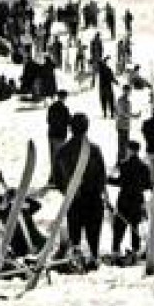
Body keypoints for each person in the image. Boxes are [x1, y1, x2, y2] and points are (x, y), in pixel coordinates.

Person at [51, 113, 109, 266]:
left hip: (73, 197)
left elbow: (56, 179)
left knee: (75, 229)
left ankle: (76, 256)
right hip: (93, 198)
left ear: (70, 128)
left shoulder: (62, 151)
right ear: (87, 128)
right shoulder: (94, 149)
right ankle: (94, 257)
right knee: (93, 230)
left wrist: (68, 191)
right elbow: (102, 176)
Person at [110, 141, 152, 262]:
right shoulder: (144, 167)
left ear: (130, 150)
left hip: (124, 199)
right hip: (137, 200)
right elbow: (148, 185)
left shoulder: (124, 165)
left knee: (119, 226)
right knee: (135, 226)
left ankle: (116, 250)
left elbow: (120, 182)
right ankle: (135, 251)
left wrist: (107, 180)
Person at [47, 91, 71, 162]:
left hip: (51, 133)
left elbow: (48, 120)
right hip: (60, 135)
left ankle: (53, 171)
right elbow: (69, 121)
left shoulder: (51, 107)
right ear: (64, 98)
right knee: (59, 156)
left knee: (52, 155)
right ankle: (57, 172)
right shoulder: (64, 109)